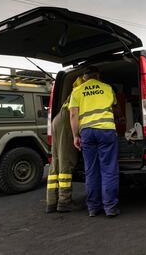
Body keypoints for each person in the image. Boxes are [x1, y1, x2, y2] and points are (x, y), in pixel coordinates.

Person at [69, 66, 120, 217]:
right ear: (98, 76)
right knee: (108, 169)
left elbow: (73, 114)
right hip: (106, 130)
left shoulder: (77, 91)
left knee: (91, 170)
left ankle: (93, 208)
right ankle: (110, 207)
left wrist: (75, 136)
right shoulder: (108, 88)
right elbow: (116, 109)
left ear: (84, 77)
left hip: (87, 132)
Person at [46, 77, 83, 213]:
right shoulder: (85, 89)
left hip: (57, 119)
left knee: (56, 161)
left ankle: (51, 201)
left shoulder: (76, 88)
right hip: (66, 120)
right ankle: (64, 201)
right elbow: (75, 114)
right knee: (66, 161)